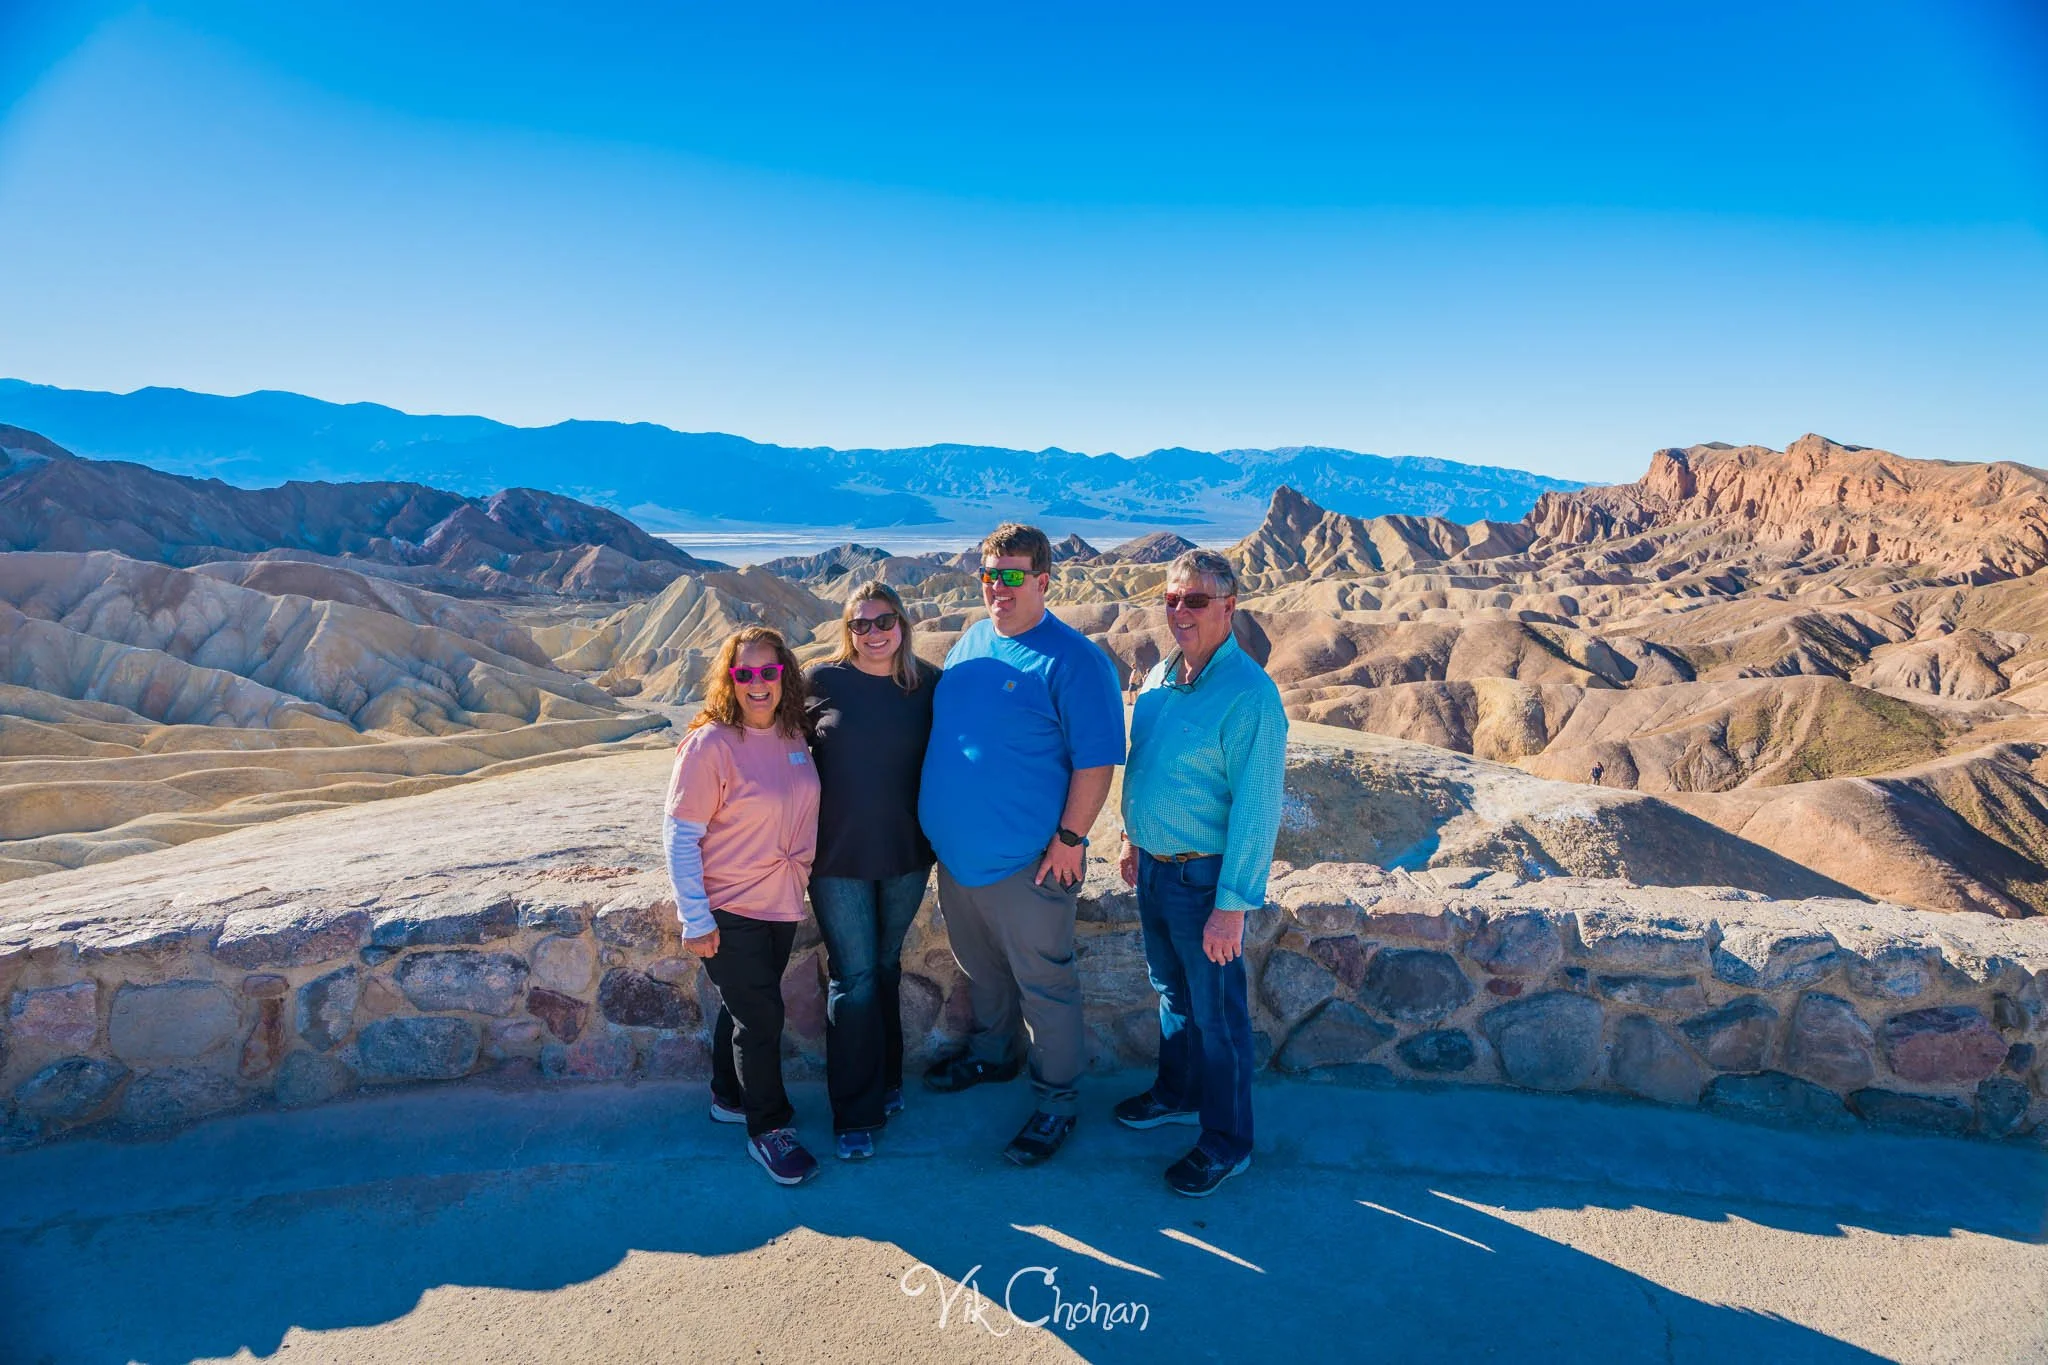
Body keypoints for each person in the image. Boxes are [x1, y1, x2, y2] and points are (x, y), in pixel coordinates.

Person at [918, 523, 1126, 1167]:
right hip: (959, 862)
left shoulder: (1074, 660)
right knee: (982, 972)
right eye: (988, 575)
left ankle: (1057, 1102)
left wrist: (1070, 839)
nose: (997, 588)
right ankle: (993, 1056)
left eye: (1012, 576)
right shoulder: (971, 643)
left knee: (1046, 985)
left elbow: (1096, 763)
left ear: (1043, 581)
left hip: (1029, 865)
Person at [1116, 549, 1288, 1197]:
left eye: (1195, 600)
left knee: (1218, 1017)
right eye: (1171, 599)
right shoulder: (1162, 676)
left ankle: (1226, 1141)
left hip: (1204, 881)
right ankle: (1177, 1094)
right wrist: (1131, 838)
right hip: (1155, 870)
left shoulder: (1250, 695)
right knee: (1171, 992)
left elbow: (1257, 809)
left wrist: (1232, 905)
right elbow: (1145, 764)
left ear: (1229, 606)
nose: (1179, 611)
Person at [663, 626, 822, 1186]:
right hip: (729, 905)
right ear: (730, 680)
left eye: (769, 672)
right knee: (761, 1017)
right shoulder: (710, 745)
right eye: (745, 673)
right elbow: (680, 835)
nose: (758, 683)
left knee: (743, 1006)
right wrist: (695, 916)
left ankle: (728, 1097)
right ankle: (767, 1129)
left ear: (784, 677)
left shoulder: (792, 734)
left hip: (781, 901)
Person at [805, 581, 941, 1161]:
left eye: (884, 621)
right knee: (853, 978)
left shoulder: (929, 685)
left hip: (907, 854)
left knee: (885, 967)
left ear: (902, 624)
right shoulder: (821, 681)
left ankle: (886, 1081)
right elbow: (771, 741)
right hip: (837, 859)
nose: (873, 633)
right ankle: (854, 1113)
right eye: (860, 624)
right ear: (847, 630)